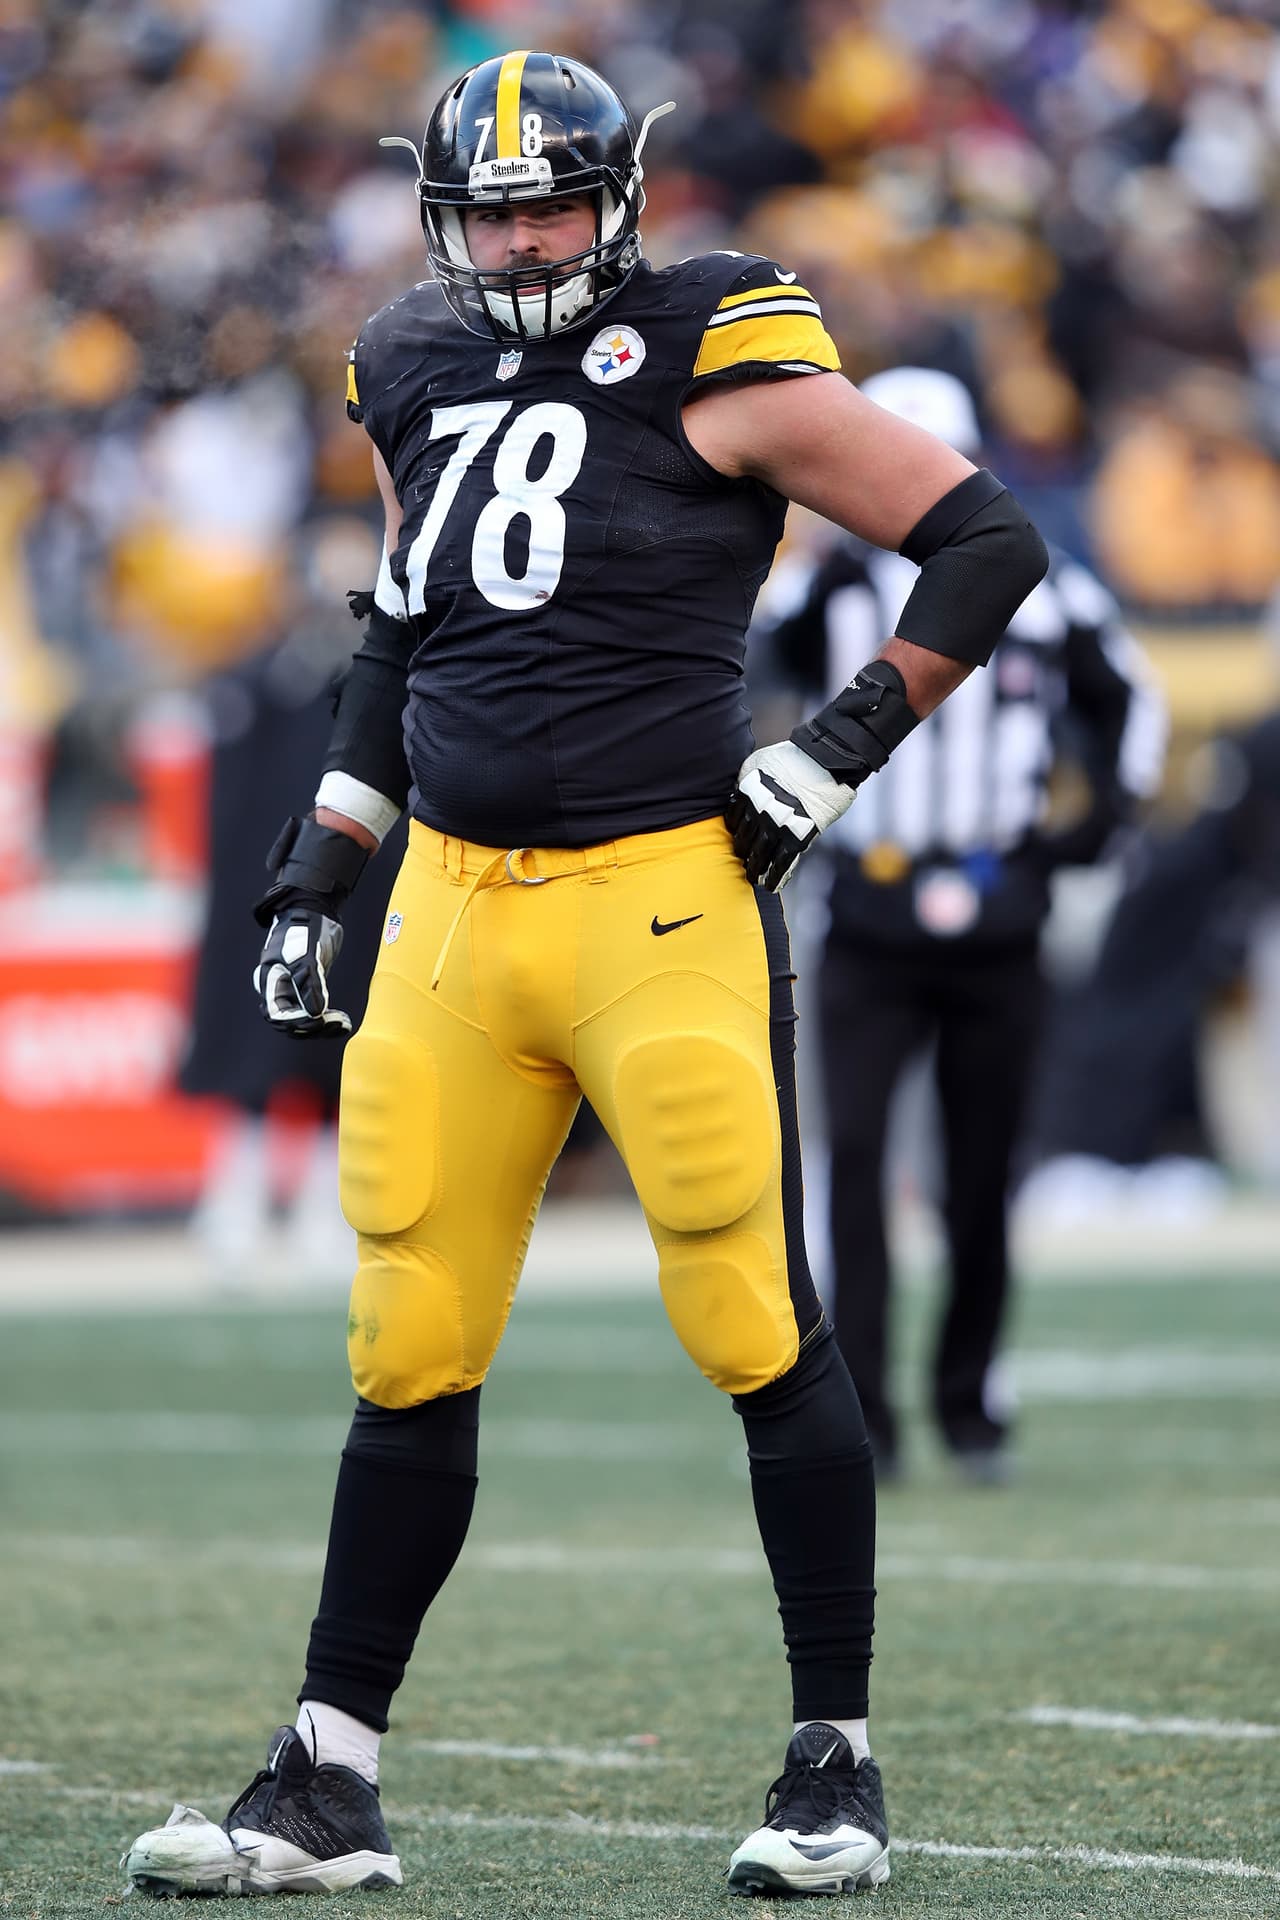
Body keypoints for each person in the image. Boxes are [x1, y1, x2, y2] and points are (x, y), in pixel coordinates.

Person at [122, 51, 1047, 1901]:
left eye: (556, 200)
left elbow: (981, 540)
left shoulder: (718, 342)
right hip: (456, 915)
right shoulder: (410, 359)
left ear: (624, 199)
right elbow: (401, 628)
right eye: (493, 206)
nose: (527, 233)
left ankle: (832, 1766)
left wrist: (829, 750)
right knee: (409, 1335)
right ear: (440, 215)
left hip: (658, 906)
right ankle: (325, 1781)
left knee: (748, 1316)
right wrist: (323, 863)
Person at [764, 366, 1165, 1485]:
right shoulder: (821, 587)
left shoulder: (1042, 587)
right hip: (868, 905)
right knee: (850, 1164)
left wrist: (1076, 844)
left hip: (998, 908)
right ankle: (863, 1411)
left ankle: (968, 1395)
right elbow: (741, 685)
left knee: (982, 1171)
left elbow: (1131, 703)